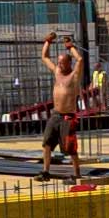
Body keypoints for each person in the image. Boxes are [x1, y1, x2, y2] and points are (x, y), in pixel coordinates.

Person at [38, 35, 95, 182]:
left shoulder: (74, 76)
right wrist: (47, 41)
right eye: (59, 63)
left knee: (70, 148)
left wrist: (70, 47)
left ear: (69, 63)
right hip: (55, 115)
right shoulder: (57, 72)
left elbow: (80, 60)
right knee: (47, 143)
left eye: (62, 63)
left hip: (68, 117)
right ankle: (46, 172)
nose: (60, 65)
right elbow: (44, 57)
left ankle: (76, 174)